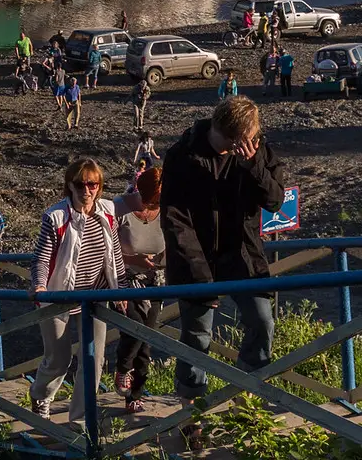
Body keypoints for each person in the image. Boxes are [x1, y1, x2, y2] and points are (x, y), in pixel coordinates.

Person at [162, 96, 287, 452]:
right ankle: (191, 416)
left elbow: (276, 200)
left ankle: (245, 399)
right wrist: (201, 277)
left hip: (245, 256)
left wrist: (253, 167)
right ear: (232, 136)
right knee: (196, 336)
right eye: (250, 137)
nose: (256, 140)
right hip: (194, 260)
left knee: (263, 321)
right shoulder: (182, 155)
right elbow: (175, 222)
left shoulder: (257, 151)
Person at [29, 158, 124, 418]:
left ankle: (80, 420)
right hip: (59, 295)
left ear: (100, 186)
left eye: (92, 184)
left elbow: (114, 252)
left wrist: (121, 289)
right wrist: (39, 285)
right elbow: (41, 257)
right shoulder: (56, 216)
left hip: (94, 296)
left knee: (94, 360)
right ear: (69, 186)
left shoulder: (107, 211)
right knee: (58, 359)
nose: (86, 190)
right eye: (80, 184)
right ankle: (41, 395)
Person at [113, 165, 166, 413]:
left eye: (155, 203)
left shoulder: (166, 211)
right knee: (136, 329)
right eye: (149, 200)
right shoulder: (120, 208)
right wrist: (133, 260)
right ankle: (123, 367)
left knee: (147, 339)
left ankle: (135, 393)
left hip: (155, 281)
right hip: (125, 278)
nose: (149, 207)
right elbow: (106, 249)